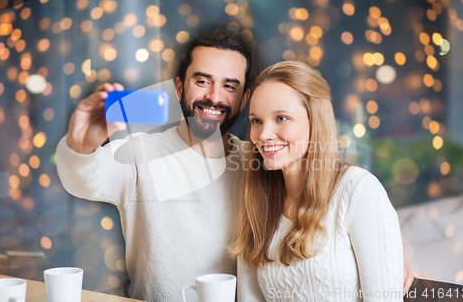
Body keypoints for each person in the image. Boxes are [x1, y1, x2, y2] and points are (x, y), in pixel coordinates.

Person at [56, 30, 418, 301]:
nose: (214, 97)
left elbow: (332, 216)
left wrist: (382, 260)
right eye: (202, 81)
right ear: (180, 86)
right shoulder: (139, 153)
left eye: (229, 86)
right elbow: (84, 178)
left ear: (244, 98)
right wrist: (81, 143)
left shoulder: (259, 164)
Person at [230, 61, 406, 301]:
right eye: (256, 120)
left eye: (281, 118)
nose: (263, 135)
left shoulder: (358, 190)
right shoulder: (258, 200)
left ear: (315, 121)